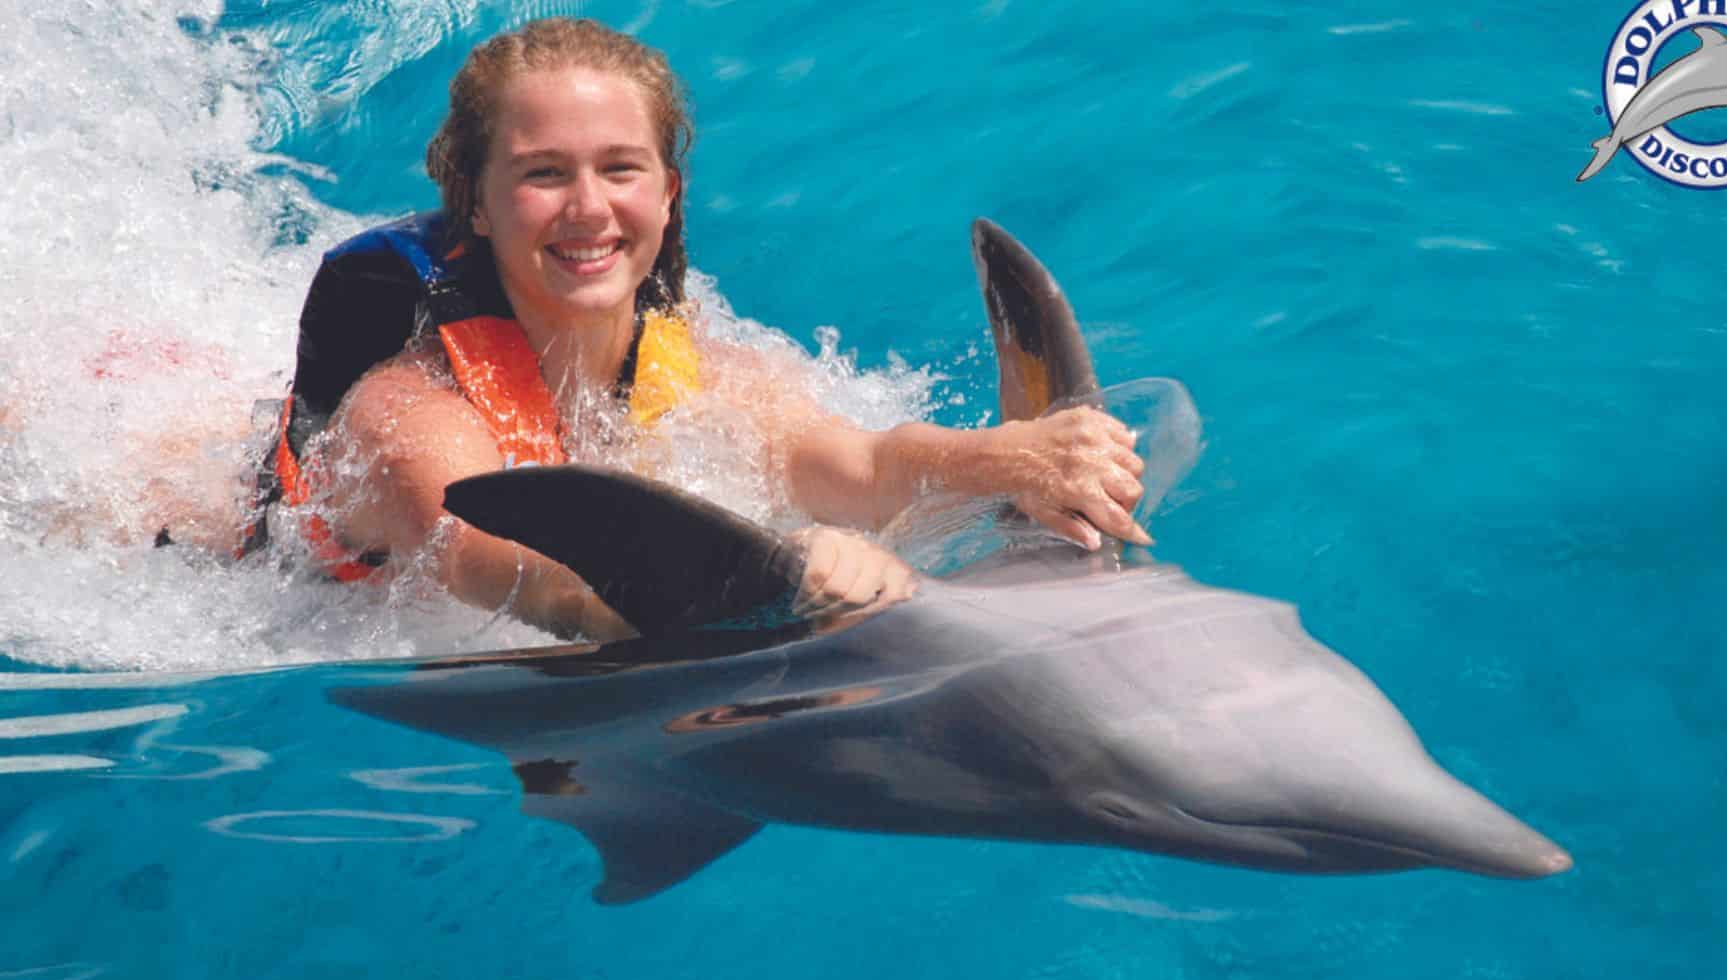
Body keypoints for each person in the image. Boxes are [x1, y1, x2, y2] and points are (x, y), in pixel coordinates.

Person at [269, 17, 1150, 641]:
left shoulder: (707, 373)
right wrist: (756, 588)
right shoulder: (409, 410)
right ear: (479, 207)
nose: (589, 209)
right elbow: (486, 559)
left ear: (668, 193)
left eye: (622, 169)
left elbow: (861, 465)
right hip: (229, 562)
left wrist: (1009, 457)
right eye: (543, 174)